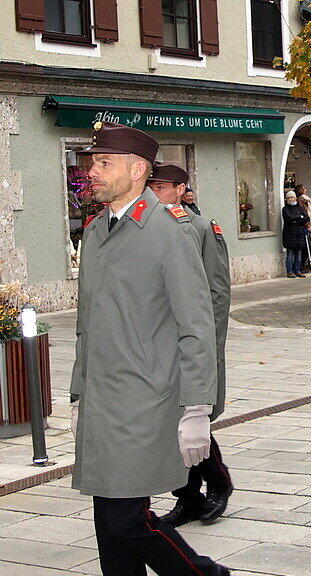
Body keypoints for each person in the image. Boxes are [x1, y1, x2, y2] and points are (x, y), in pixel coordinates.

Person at [71, 122, 229, 575]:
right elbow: (88, 323)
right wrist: (80, 390)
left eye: (104, 162)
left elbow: (195, 324)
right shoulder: (97, 231)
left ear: (137, 170)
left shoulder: (168, 231)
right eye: (93, 161)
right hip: (103, 396)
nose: (92, 171)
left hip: (145, 398)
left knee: (126, 520)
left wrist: (196, 407)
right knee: (109, 523)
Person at [147, 163, 235, 528]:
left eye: (161, 187)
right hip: (157, 344)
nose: (154, 193)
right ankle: (187, 496)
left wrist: (210, 345)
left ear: (181, 189)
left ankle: (217, 484)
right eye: (150, 186)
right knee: (165, 422)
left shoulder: (200, 229)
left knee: (190, 419)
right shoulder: (146, 227)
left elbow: (217, 292)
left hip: (191, 343)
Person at [282, 190, 310, 278]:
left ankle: (297, 270)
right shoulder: (285, 209)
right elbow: (289, 218)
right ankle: (289, 271)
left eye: (292, 197)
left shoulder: (300, 208)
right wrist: (299, 217)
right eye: (288, 198)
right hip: (289, 234)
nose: (290, 199)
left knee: (298, 254)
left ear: (295, 198)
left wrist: (296, 220)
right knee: (290, 254)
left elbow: (306, 218)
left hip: (299, 234)